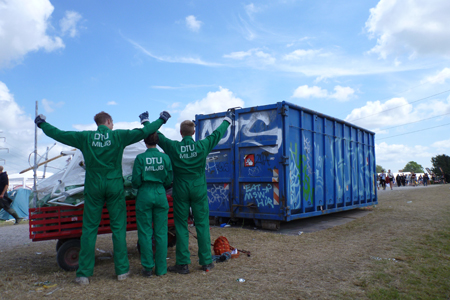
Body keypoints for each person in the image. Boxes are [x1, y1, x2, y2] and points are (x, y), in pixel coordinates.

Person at [35, 110, 170, 285]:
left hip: (94, 185)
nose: (112, 126)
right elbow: (143, 132)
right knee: (118, 228)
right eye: (112, 123)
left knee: (89, 229)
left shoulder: (86, 137)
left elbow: (59, 134)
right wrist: (162, 119)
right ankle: (121, 270)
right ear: (108, 121)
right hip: (114, 185)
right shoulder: (118, 136)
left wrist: (42, 124)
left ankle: (83, 273)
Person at [157, 110, 234, 274]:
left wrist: (146, 123)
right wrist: (228, 119)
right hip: (198, 189)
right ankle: (206, 262)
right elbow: (217, 134)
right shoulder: (202, 145)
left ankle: (183, 264)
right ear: (193, 133)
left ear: (180, 132)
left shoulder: (174, 147)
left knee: (181, 226)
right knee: (202, 225)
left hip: (181, 190)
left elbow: (158, 137)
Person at [132, 132, 173, 278]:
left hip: (144, 194)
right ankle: (161, 269)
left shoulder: (140, 158)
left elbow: (135, 181)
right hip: (161, 194)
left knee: (145, 232)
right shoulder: (165, 157)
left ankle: (148, 268)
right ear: (157, 141)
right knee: (161, 233)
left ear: (144, 141)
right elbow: (169, 180)